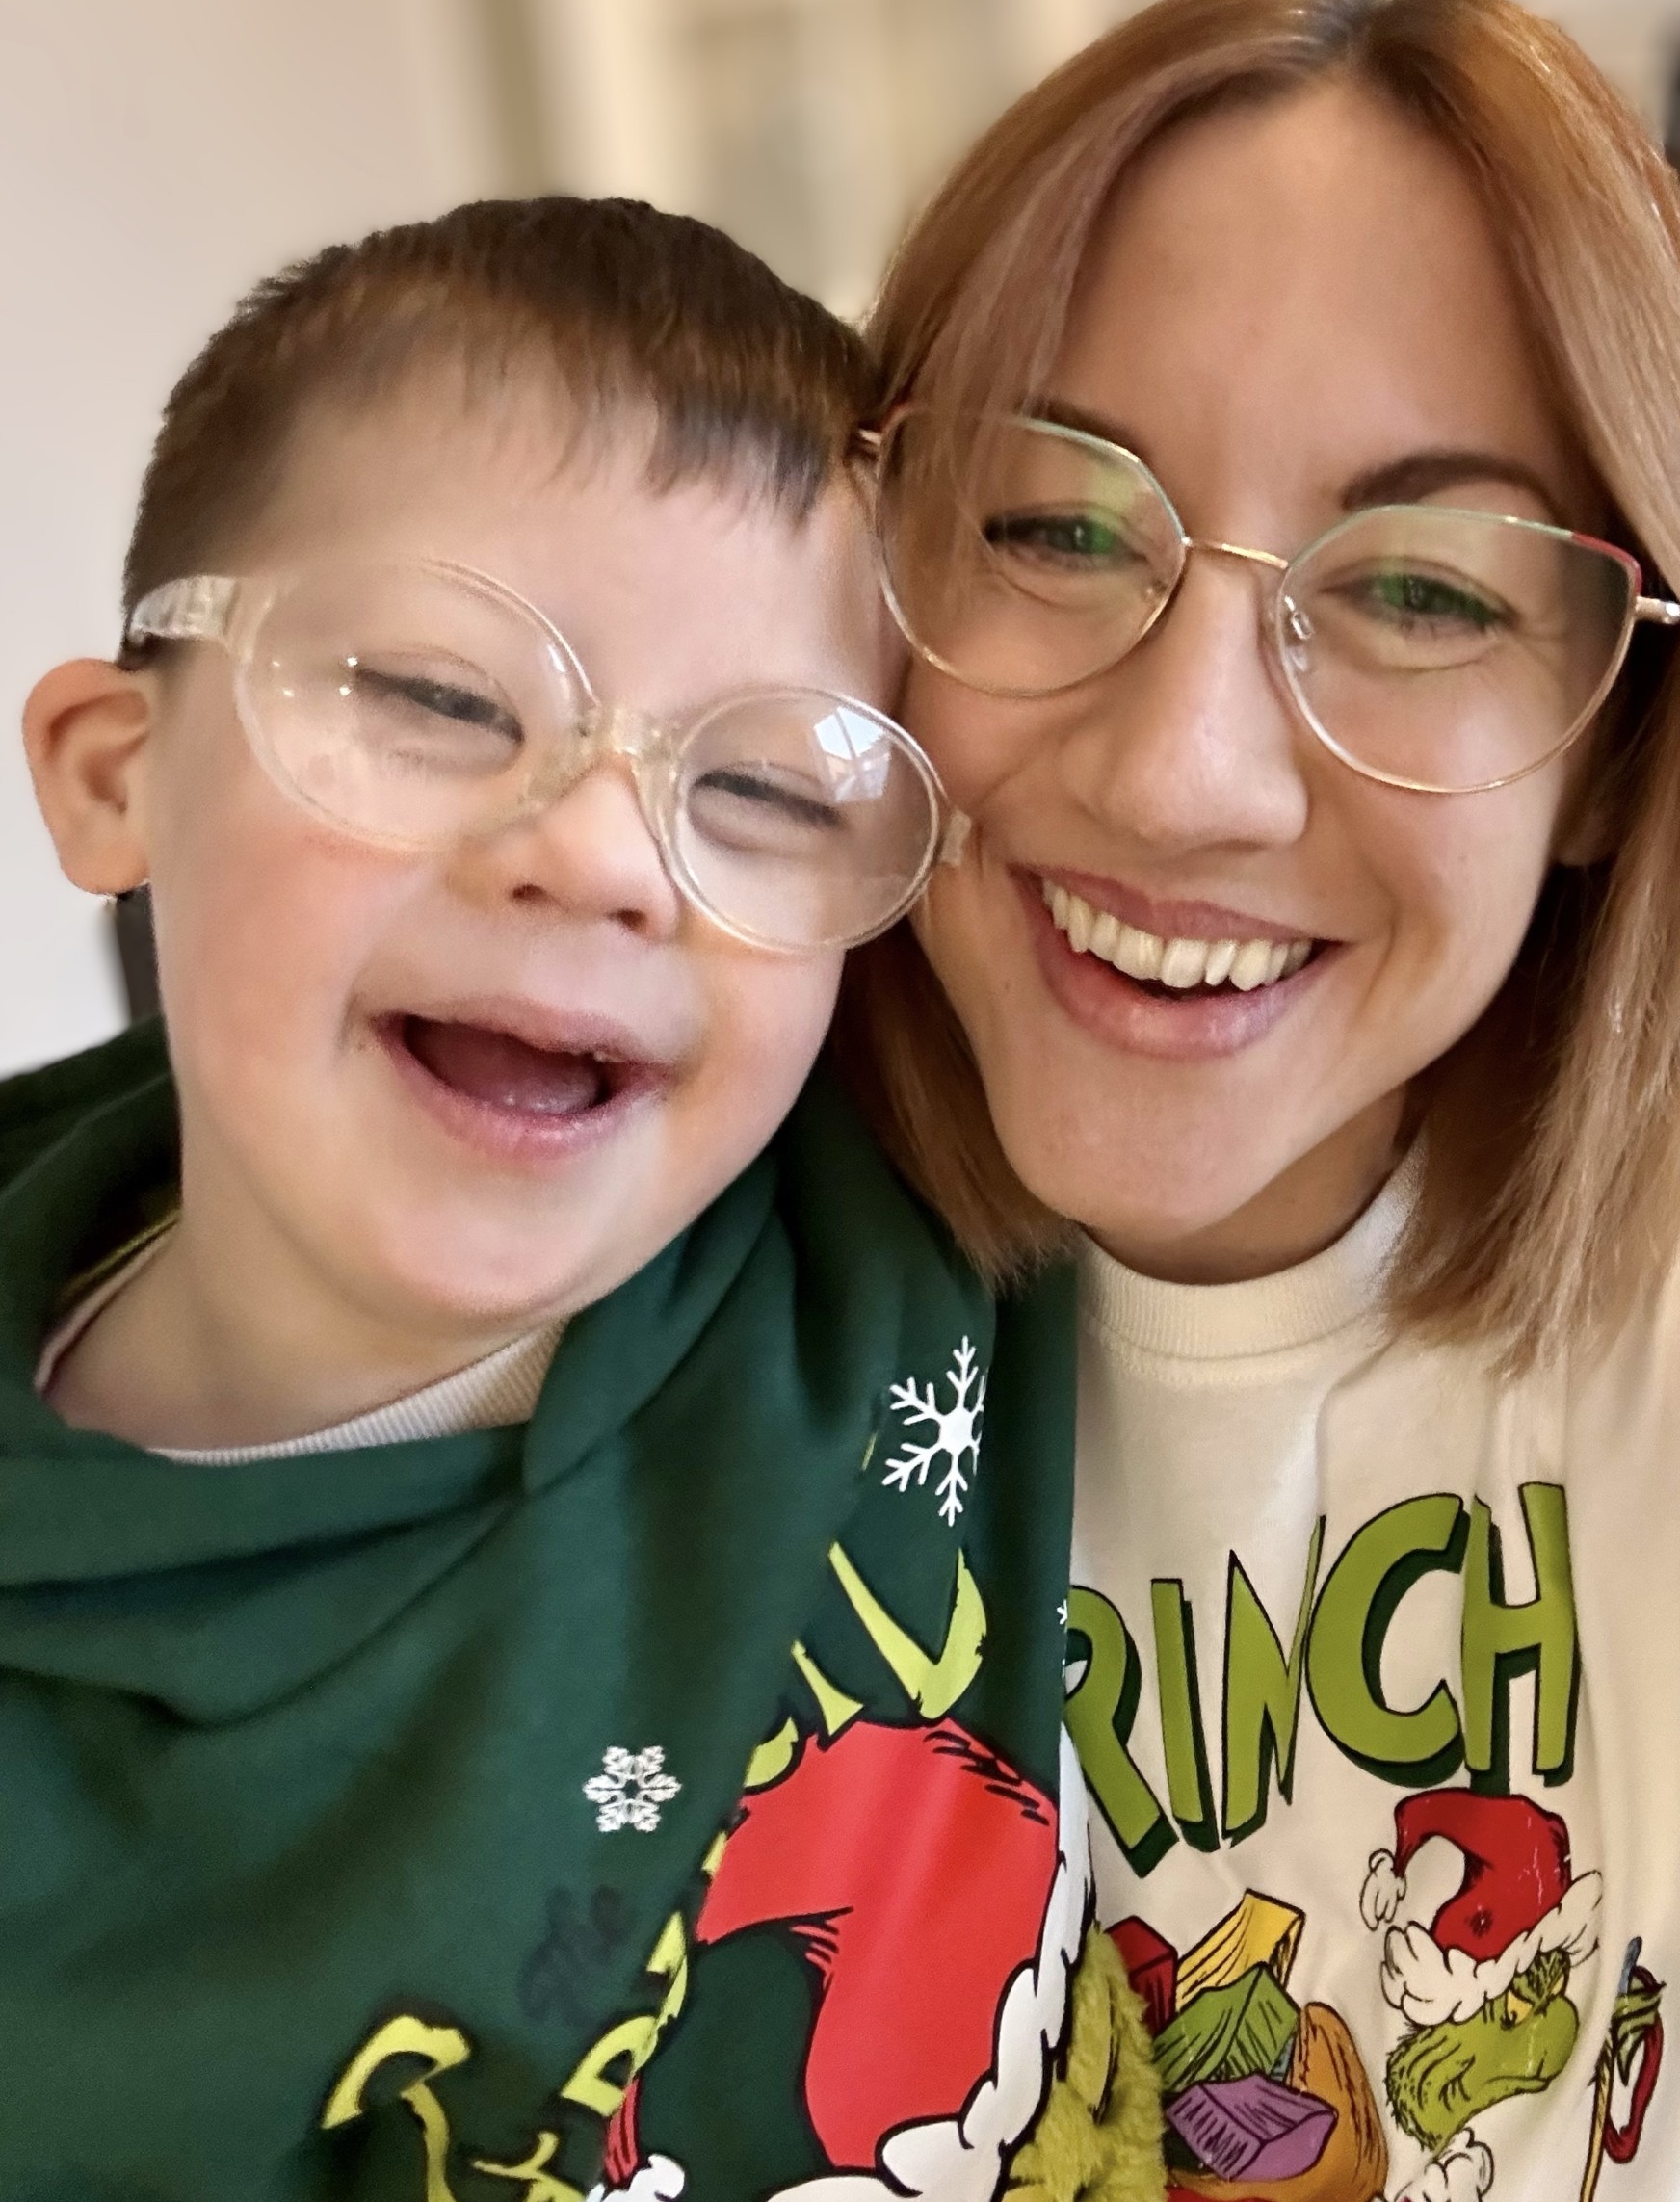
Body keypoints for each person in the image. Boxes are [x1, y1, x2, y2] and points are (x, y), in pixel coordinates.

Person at [839, 0, 1680, 2202]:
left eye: (1421, 593)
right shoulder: (642, 1190)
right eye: (1053, 523)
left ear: (1614, 749)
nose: (1183, 774)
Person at [0, 199, 1119, 2201]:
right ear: (111, 774)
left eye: (767, 790)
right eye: (441, 699)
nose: (603, 857)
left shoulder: (929, 1198)